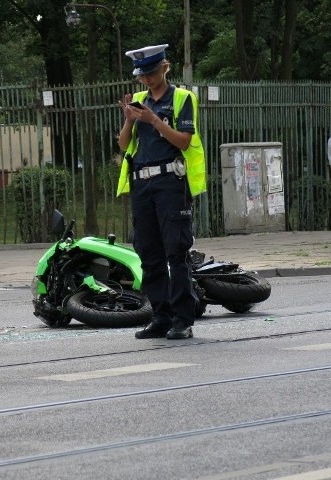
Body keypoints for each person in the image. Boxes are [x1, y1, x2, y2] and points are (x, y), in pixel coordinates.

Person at [116, 44, 206, 340]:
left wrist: (154, 121)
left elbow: (183, 141)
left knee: (175, 251)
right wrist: (130, 119)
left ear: (163, 68)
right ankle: (160, 316)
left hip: (170, 182)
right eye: (142, 75)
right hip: (142, 182)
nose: (147, 79)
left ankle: (183, 319)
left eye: (152, 72)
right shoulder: (139, 100)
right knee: (148, 253)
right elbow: (122, 144)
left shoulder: (181, 98)